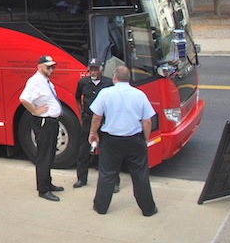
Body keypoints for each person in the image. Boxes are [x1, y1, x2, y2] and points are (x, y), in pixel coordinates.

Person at [88, 65, 158, 216]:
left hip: (111, 141)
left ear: (114, 77)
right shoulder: (139, 94)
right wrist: (144, 139)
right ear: (129, 79)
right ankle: (148, 209)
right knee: (140, 175)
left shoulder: (105, 93)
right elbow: (147, 121)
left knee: (107, 174)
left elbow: (97, 117)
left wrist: (93, 133)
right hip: (134, 139)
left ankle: (101, 206)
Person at [19, 55, 64, 201]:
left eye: (52, 67)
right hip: (44, 122)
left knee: (50, 155)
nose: (51, 69)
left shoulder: (46, 82)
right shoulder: (35, 81)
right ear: (39, 67)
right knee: (44, 156)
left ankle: (48, 183)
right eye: (48, 67)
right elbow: (24, 99)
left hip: (52, 122)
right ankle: (43, 190)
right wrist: (34, 111)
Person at [73, 59, 117, 190]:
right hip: (88, 119)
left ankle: (114, 182)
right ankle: (81, 178)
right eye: (91, 69)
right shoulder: (82, 82)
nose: (93, 72)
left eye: (96, 69)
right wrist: (80, 112)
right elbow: (77, 97)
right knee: (83, 150)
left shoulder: (109, 83)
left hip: (104, 120)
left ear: (101, 70)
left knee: (108, 151)